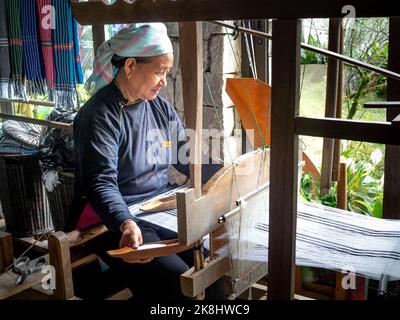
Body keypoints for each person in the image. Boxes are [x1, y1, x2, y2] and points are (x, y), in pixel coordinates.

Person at [65, 23, 225, 300]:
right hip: (110, 219)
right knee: (174, 283)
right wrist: (125, 223)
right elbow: (100, 183)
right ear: (130, 66)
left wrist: (229, 176)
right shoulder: (98, 115)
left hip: (154, 208)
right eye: (159, 72)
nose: (163, 81)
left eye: (166, 73)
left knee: (211, 270)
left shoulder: (159, 107)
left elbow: (188, 158)